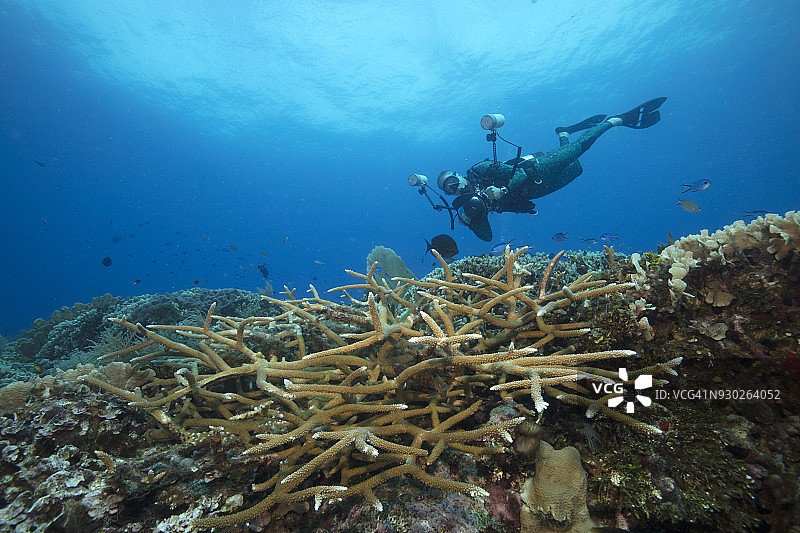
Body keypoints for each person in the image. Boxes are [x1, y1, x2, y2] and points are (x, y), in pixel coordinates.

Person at [436, 97, 667, 241]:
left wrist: (502, 192)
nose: (454, 189)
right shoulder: (470, 203)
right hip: (538, 190)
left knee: (579, 149)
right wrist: (471, 219)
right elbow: (487, 238)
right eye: (449, 190)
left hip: (537, 169)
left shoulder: (482, 170)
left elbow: (521, 172)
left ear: (458, 174)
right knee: (576, 167)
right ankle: (563, 132)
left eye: (453, 182)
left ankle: (616, 120)